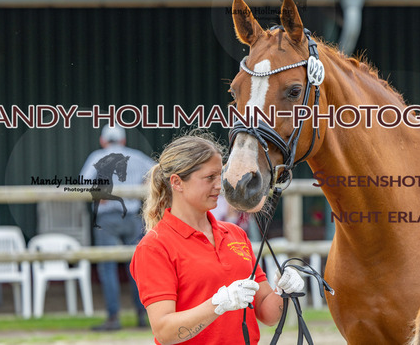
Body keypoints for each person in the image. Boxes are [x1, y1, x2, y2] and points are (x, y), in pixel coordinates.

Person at [130, 131, 304, 345]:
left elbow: (268, 315)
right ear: (177, 182)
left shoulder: (235, 234)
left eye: (219, 176)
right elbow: (165, 332)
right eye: (209, 178)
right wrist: (217, 304)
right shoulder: (155, 246)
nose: (219, 186)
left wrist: (283, 291)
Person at [80, 125, 155, 331]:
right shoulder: (136, 156)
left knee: (108, 267)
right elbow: (157, 173)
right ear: (123, 140)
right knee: (138, 267)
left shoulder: (98, 156)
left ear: (103, 140)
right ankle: (143, 316)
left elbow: (83, 183)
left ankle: (113, 317)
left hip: (107, 219)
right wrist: (143, 190)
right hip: (133, 217)